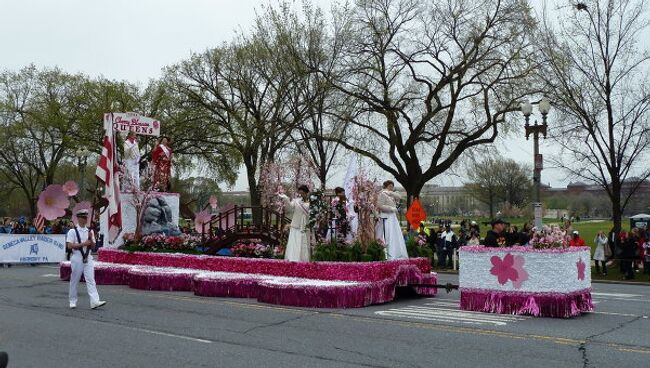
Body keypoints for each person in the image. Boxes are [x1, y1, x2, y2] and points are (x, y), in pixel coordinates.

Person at [66, 209, 106, 309]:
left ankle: (94, 301)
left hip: (88, 257)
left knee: (91, 279)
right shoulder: (72, 231)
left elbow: (93, 247)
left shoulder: (89, 231)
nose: (85, 219)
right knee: (74, 280)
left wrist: (91, 239)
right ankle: (72, 300)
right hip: (77, 257)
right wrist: (84, 243)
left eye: (86, 217)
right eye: (83, 217)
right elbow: (69, 246)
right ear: (78, 218)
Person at [375, 181, 408, 260]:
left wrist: (391, 193)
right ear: (387, 186)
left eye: (392, 186)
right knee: (389, 234)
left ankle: (396, 253)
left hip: (393, 217)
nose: (392, 188)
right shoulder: (382, 194)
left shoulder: (390, 194)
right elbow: (379, 206)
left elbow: (399, 197)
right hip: (386, 216)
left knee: (395, 234)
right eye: (390, 186)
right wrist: (391, 208)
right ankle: (388, 254)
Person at [279, 185, 311, 262]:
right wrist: (286, 199)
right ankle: (293, 258)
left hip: (305, 225)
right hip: (296, 225)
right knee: (294, 243)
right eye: (299, 193)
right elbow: (290, 208)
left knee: (303, 242)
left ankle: (304, 259)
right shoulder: (296, 201)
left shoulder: (312, 202)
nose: (301, 195)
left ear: (306, 193)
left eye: (302, 193)